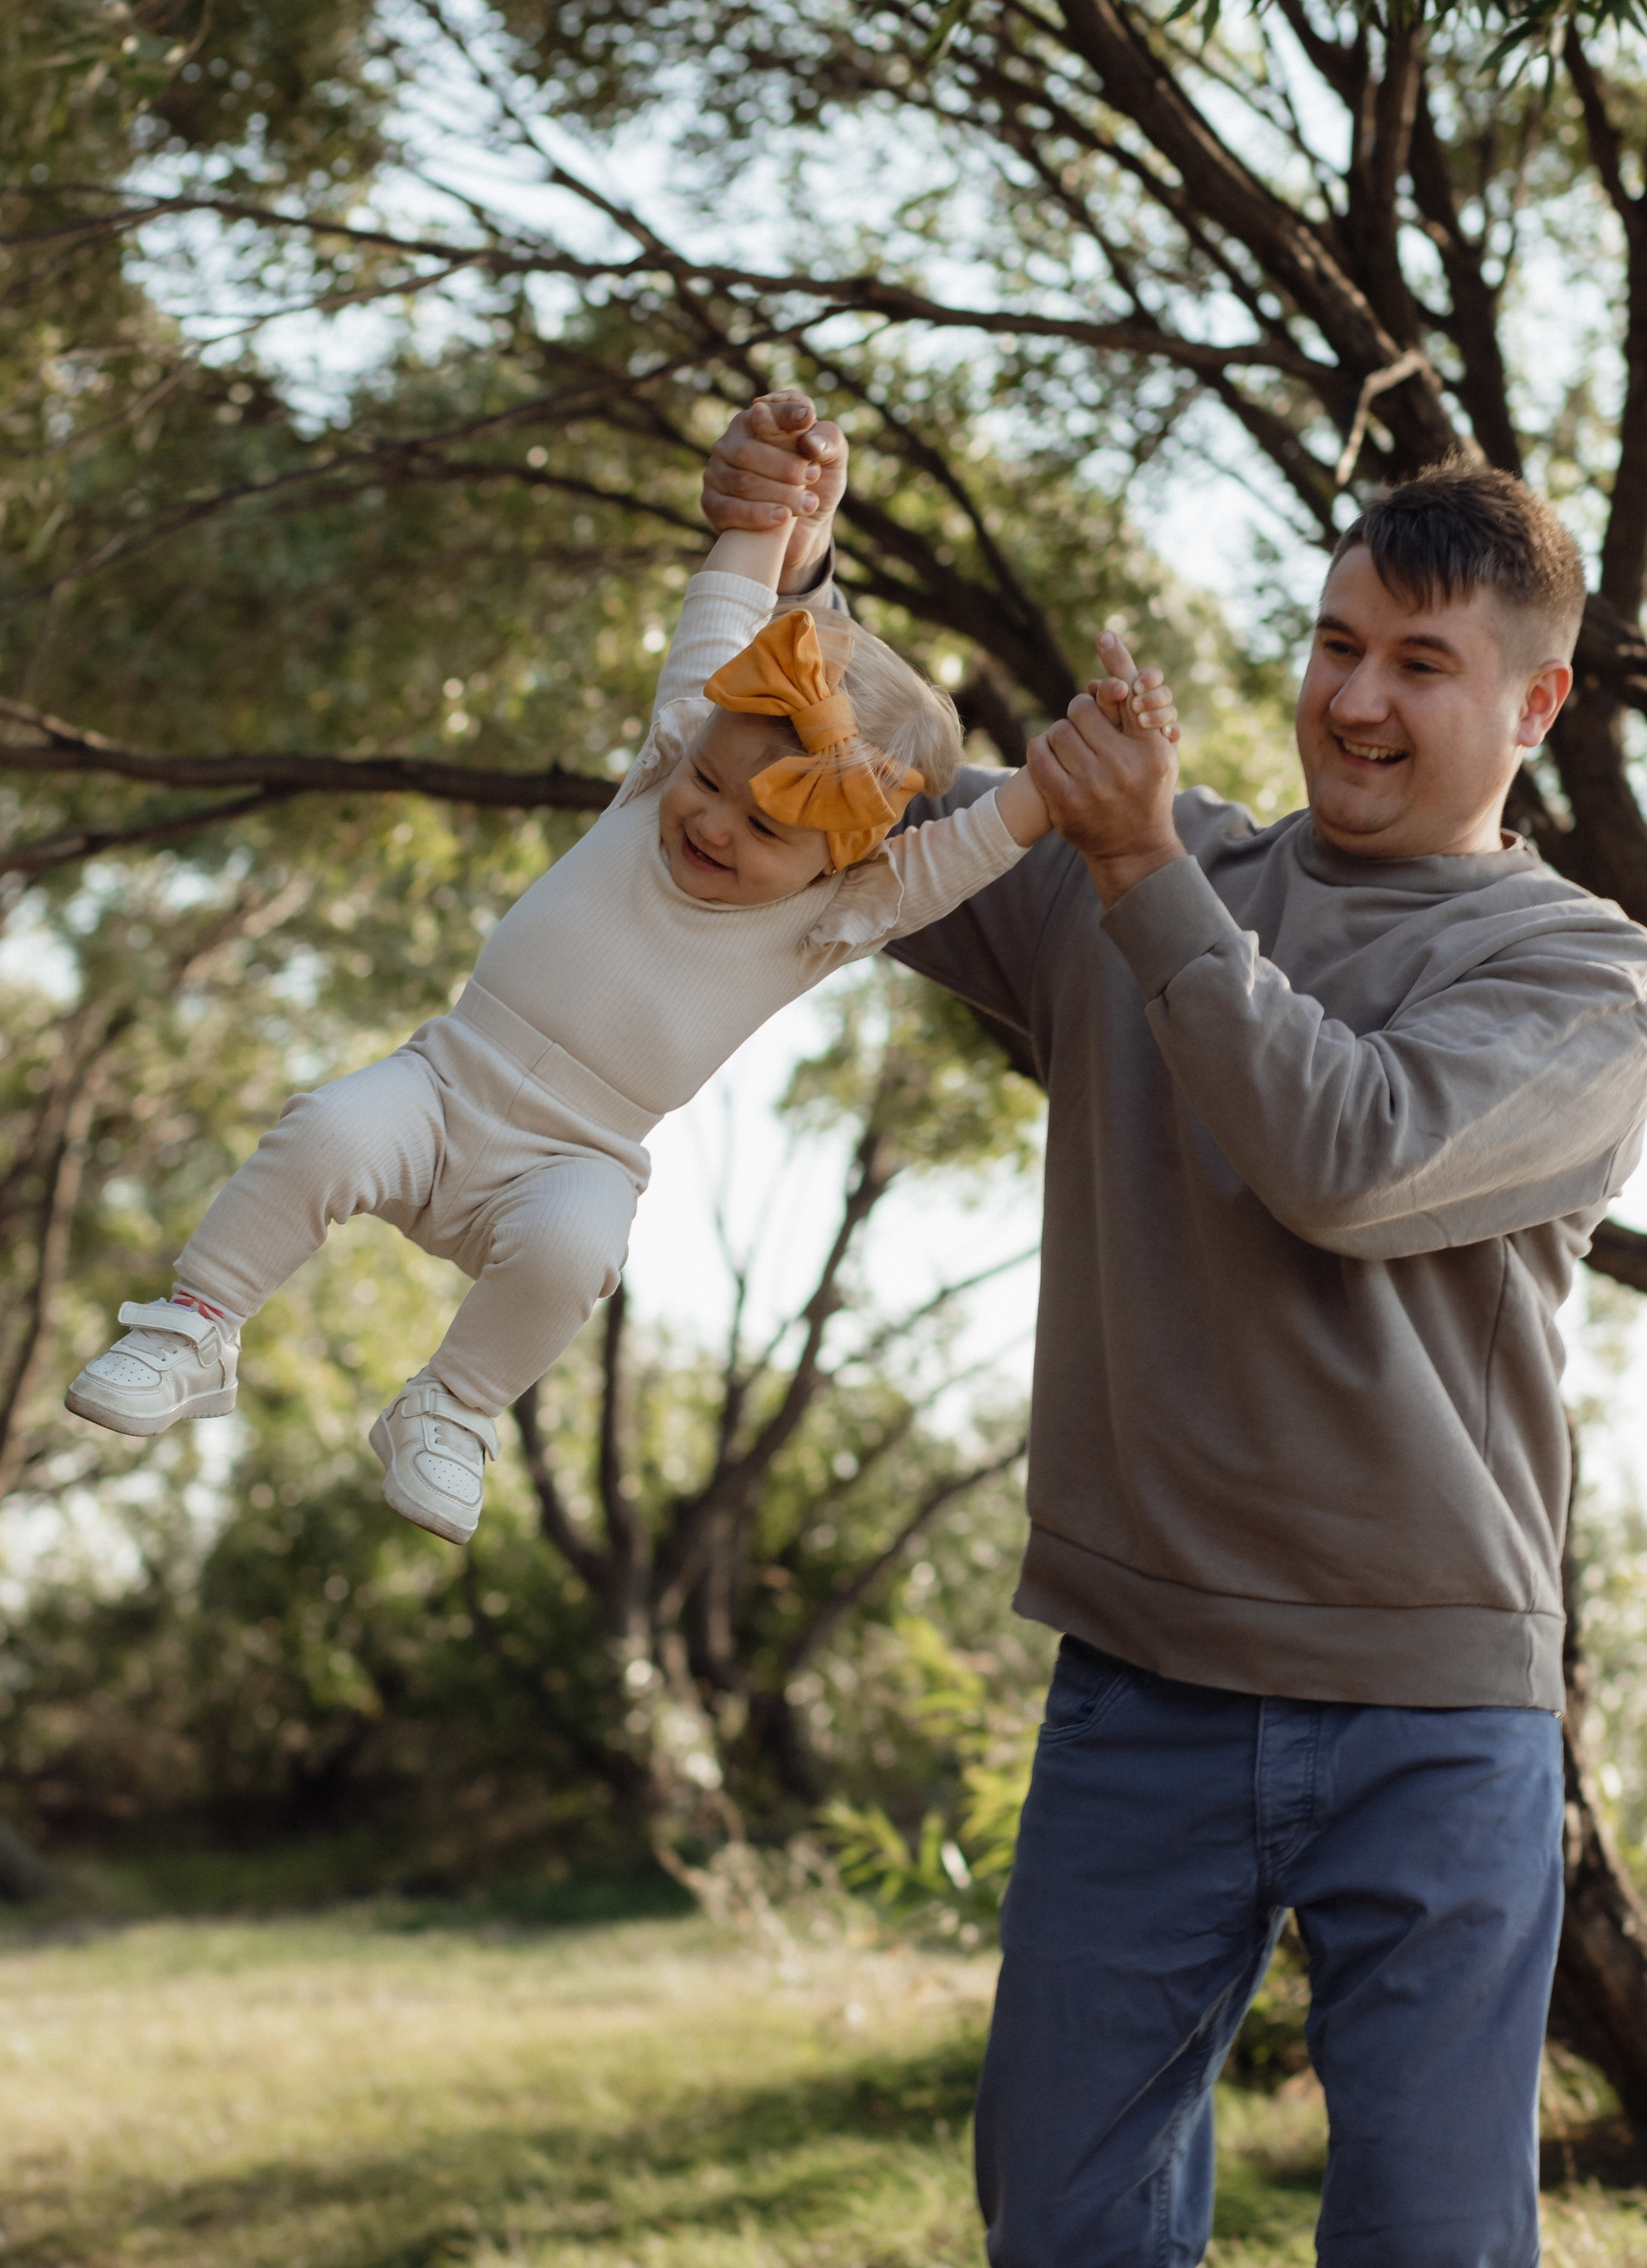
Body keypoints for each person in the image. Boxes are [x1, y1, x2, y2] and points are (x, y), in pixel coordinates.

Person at [703, 403, 1647, 2266]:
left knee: (1433, 2244)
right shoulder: (1134, 863)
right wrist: (788, 566)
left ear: (1534, 713)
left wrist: (1142, 877)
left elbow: (1347, 1157)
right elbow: (852, 795)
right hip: (1138, 1679)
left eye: (1422, 668)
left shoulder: (1586, 979)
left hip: (1435, 1711)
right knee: (1059, 2227)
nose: (1357, 702)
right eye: (1336, 644)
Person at [62, 403, 1180, 1551]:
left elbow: (976, 844)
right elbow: (726, 603)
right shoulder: (663, 767)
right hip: (445, 1085)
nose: (713, 819)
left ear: (839, 859)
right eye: (713, 780)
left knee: (575, 1251)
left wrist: (1078, 766)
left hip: (574, 1157)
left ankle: (448, 1411)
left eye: (764, 824)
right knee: (325, 1134)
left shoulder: (837, 916)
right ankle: (193, 1327)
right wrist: (778, 503)